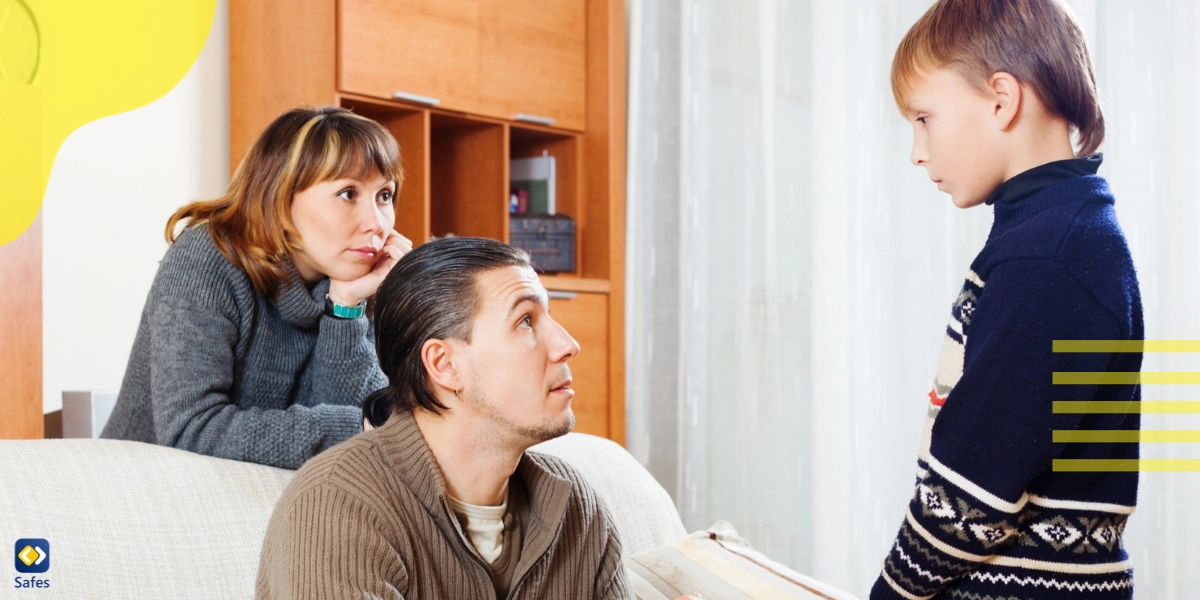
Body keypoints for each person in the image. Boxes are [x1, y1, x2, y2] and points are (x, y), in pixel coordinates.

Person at [871, 1, 1142, 599]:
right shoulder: (1059, 236)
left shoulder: (1048, 257)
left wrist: (888, 595)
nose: (917, 151)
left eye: (923, 118)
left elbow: (973, 486)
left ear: (1001, 99)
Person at [255, 237, 636, 599]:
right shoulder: (335, 505)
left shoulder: (574, 507)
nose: (568, 345)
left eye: (549, 316)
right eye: (525, 321)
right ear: (444, 365)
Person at [101, 106, 412, 470]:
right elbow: (190, 430)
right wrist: (357, 427)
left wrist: (345, 307)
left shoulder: (360, 281)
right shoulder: (208, 259)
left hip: (265, 505)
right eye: (348, 194)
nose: (376, 223)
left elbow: (356, 458)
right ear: (280, 197)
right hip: (147, 496)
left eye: (385, 195)